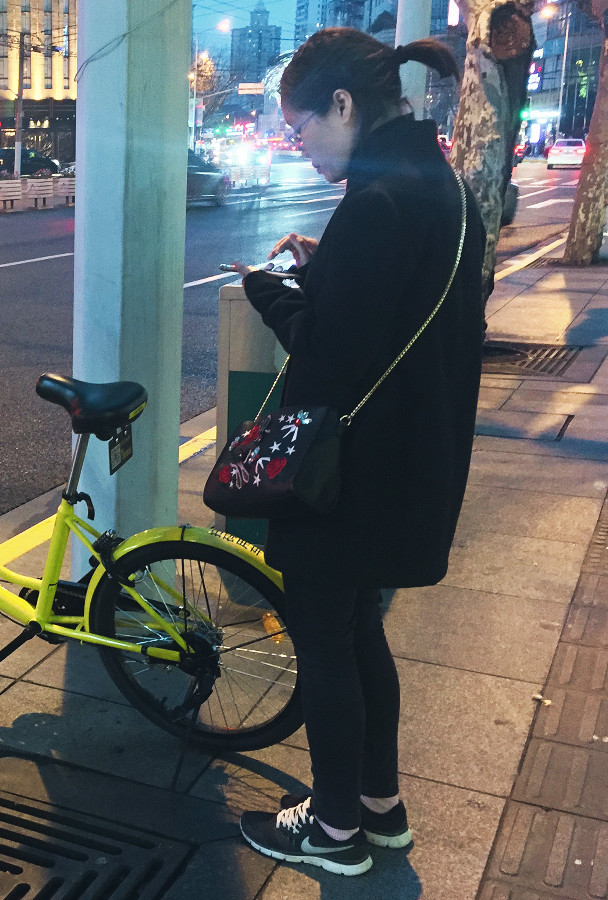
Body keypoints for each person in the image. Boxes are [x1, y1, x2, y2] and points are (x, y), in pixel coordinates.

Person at [231, 28, 486, 877]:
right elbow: (396, 317)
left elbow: (330, 358)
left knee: (325, 644)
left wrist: (272, 295)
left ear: (345, 105)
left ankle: (335, 832)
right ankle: (380, 809)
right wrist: (325, 268)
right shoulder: (435, 186)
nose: (299, 150)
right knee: (359, 636)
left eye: (301, 130)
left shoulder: (378, 205)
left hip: (351, 477)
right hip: (410, 464)